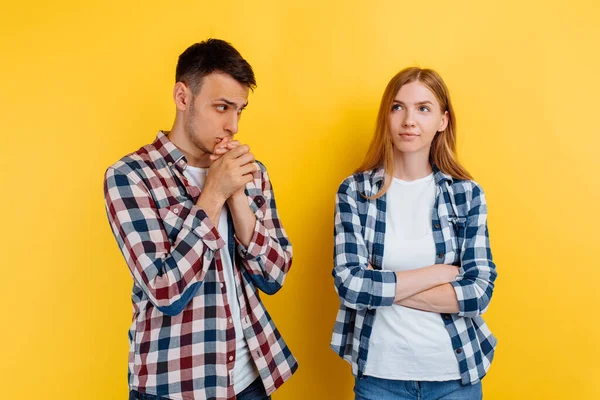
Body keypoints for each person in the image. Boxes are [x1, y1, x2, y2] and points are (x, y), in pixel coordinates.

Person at [103, 38, 297, 400]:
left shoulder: (250, 173)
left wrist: (237, 196)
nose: (233, 125)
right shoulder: (131, 176)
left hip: (249, 380)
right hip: (174, 386)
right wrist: (213, 193)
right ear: (182, 97)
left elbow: (274, 276)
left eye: (240, 110)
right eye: (222, 107)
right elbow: (165, 291)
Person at [331, 67, 497, 400]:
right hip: (379, 376)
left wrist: (381, 285)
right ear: (386, 117)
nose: (409, 120)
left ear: (442, 121)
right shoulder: (356, 191)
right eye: (398, 107)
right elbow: (349, 285)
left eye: (423, 108)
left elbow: (478, 292)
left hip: (455, 376)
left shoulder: (466, 194)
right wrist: (437, 275)